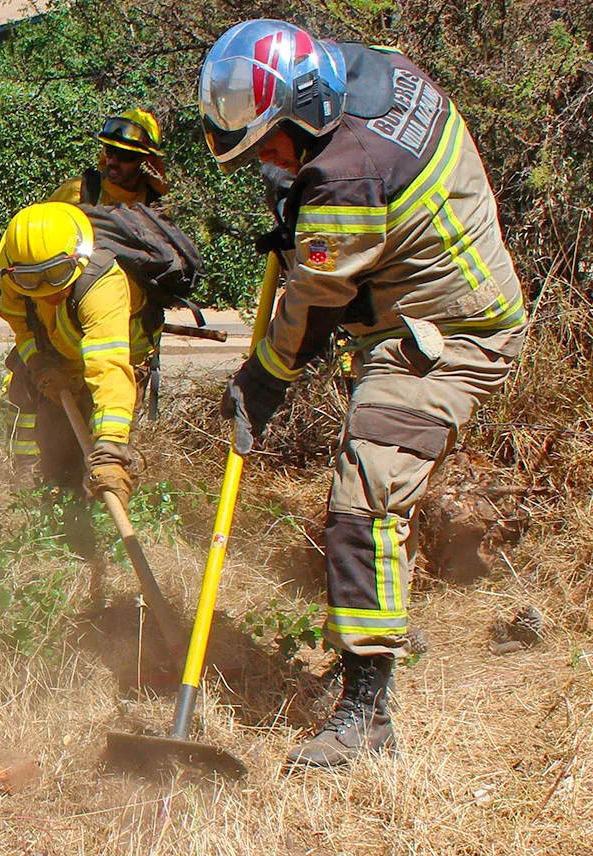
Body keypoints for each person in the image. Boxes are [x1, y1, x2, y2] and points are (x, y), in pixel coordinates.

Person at [200, 20, 526, 769]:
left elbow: (313, 302)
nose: (268, 161)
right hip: (426, 307)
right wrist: (296, 204)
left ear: (306, 108)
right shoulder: (369, 72)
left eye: (272, 145)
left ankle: (367, 713)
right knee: (372, 493)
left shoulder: (345, 179)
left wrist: (262, 380)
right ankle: (386, 624)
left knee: (364, 502)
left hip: (453, 333)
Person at [0, 203, 144, 535]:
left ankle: (98, 528)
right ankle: (57, 515)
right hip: (61, 354)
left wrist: (109, 450)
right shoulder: (15, 275)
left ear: (77, 259)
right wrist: (40, 364)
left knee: (99, 456)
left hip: (115, 357)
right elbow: (21, 325)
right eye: (31, 279)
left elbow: (108, 369)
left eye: (56, 274)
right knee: (59, 452)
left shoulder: (102, 286)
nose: (46, 289)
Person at [51, 108, 171, 208]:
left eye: (125, 155)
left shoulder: (156, 208)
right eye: (110, 151)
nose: (113, 161)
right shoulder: (78, 191)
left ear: (147, 160)